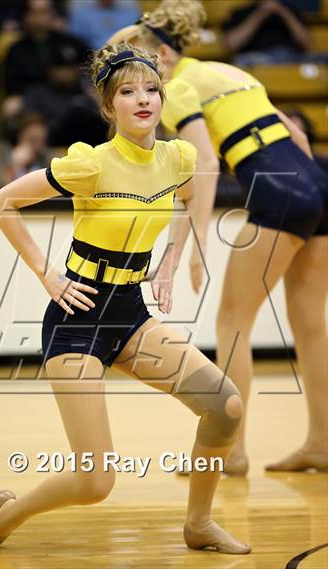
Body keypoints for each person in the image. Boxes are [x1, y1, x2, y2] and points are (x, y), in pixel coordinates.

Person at [0, 42, 251, 555]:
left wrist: (169, 265)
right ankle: (3, 517)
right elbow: (2, 202)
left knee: (226, 406)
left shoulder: (177, 158)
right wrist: (46, 274)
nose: (142, 99)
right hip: (77, 319)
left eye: (151, 89)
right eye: (127, 92)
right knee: (95, 481)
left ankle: (198, 524)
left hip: (131, 315)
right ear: (109, 107)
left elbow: (193, 204)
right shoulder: (90, 164)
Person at [109, 0, 328, 475]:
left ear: (161, 57)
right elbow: (297, 135)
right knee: (310, 325)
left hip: (280, 191)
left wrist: (193, 244)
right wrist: (310, 195)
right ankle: (322, 442)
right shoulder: (225, 72)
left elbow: (203, 163)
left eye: (142, 65)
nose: (140, 83)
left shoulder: (180, 86)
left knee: (232, 324)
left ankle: (230, 452)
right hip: (315, 182)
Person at [221, 0, 311, 67]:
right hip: (256, 58)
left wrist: (284, 13)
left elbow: (306, 43)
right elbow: (232, 45)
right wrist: (259, 15)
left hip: (291, 57)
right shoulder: (241, 12)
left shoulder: (290, 11)